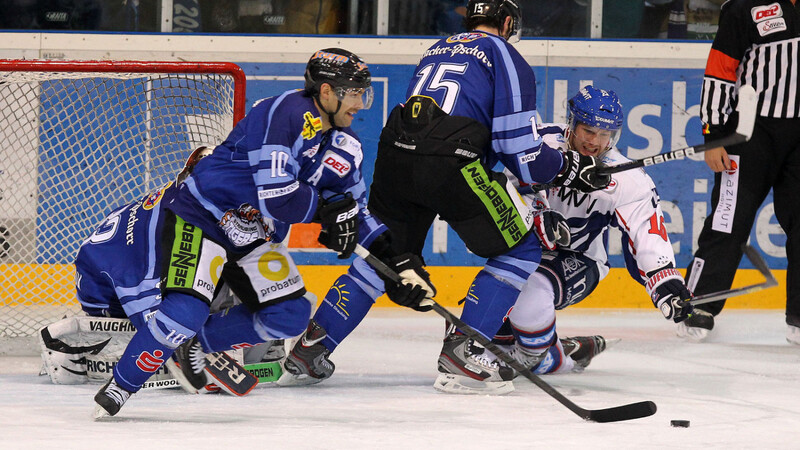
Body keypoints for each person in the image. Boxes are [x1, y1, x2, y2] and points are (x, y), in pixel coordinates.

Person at [278, 0, 611, 394]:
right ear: (507, 23)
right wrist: (570, 168)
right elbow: (521, 153)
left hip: (396, 152)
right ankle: (463, 353)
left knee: (386, 257)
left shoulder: (440, 46)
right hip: (451, 158)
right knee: (520, 251)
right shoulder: (507, 55)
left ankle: (310, 349)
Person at [92, 48, 418, 418]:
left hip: (250, 234)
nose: (361, 103)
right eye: (355, 92)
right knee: (185, 311)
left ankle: (197, 345)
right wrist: (326, 213)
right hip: (204, 218)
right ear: (327, 92)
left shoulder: (346, 146)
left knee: (291, 315)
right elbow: (277, 196)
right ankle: (121, 386)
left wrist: (397, 261)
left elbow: (357, 213)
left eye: (364, 93)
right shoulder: (284, 113)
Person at [487, 86, 694, 383]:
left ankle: (541, 360)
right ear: (572, 123)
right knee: (489, 328)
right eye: (588, 131)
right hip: (525, 248)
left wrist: (666, 283)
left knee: (531, 293)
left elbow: (648, 232)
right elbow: (506, 185)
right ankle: (561, 350)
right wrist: (535, 215)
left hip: (580, 260)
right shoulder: (540, 143)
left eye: (604, 134)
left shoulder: (626, 178)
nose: (595, 142)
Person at [680, 0, 800, 344]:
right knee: (729, 218)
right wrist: (714, 135)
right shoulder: (743, 8)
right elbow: (719, 70)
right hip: (749, 133)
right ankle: (698, 303)